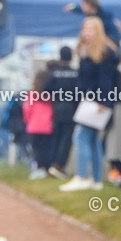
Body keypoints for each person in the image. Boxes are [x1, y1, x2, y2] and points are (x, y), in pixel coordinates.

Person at [59, 17, 119, 191]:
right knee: (92, 140)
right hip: (87, 101)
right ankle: (97, 180)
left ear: (98, 31)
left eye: (91, 30)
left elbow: (106, 80)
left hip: (96, 102)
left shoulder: (104, 52)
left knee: (81, 137)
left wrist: (103, 101)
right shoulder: (86, 51)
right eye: (84, 29)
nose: (86, 33)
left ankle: (82, 176)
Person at [44, 46, 79, 180]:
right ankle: (60, 166)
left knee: (56, 137)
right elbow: (80, 91)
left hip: (56, 109)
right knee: (66, 138)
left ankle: (52, 165)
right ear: (71, 57)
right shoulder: (75, 73)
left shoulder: (54, 72)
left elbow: (46, 89)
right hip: (71, 110)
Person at [22, 69, 54, 179]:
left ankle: (39, 169)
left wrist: (27, 120)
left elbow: (27, 109)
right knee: (46, 149)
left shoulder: (32, 93)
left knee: (36, 150)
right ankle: (46, 168)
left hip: (34, 126)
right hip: (48, 127)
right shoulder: (50, 95)